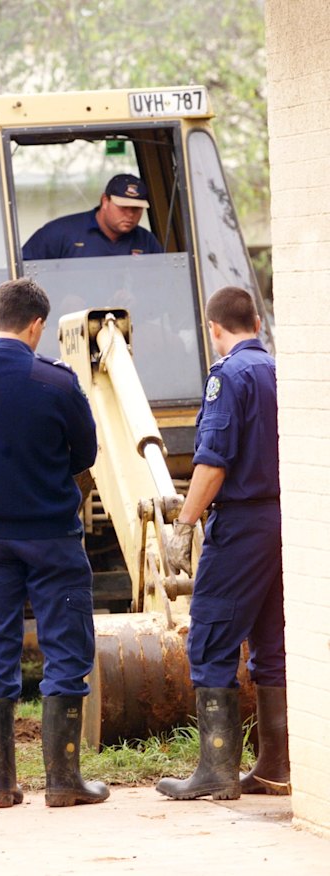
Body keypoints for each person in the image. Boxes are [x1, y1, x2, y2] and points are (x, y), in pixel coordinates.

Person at [0, 277, 109, 809]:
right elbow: (85, 453)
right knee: (64, 647)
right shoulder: (56, 382)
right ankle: (63, 782)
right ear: (37, 325)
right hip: (52, 535)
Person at [156, 286, 289, 801]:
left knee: (210, 636)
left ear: (215, 329)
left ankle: (215, 769)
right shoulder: (279, 370)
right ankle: (276, 765)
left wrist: (185, 523)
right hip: (284, 520)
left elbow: (214, 461)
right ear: (256, 320)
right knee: (271, 639)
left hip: (242, 524)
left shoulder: (227, 376)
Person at [22, 173, 162, 260]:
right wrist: (61, 298)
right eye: (123, 207)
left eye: (136, 209)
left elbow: (162, 285)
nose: (130, 214)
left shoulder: (147, 241)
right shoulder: (60, 232)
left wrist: (136, 297)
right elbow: (23, 276)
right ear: (105, 201)